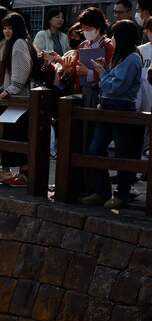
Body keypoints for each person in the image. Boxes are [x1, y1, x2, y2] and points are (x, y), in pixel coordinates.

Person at [80, 19, 143, 209]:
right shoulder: (122, 56)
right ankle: (102, 191)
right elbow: (113, 82)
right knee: (95, 149)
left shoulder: (132, 58)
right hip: (108, 107)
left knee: (122, 153)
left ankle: (121, 194)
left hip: (121, 108)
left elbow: (116, 86)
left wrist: (101, 73)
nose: (112, 39)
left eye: (115, 35)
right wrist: (105, 70)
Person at [0, 12, 39, 188]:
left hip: (21, 97)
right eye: (4, 27)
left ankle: (24, 175)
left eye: (10, 27)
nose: (7, 31)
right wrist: (3, 88)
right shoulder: (21, 41)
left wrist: (10, 89)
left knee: (17, 135)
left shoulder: (18, 43)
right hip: (19, 96)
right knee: (15, 134)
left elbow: (21, 70)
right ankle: (19, 173)